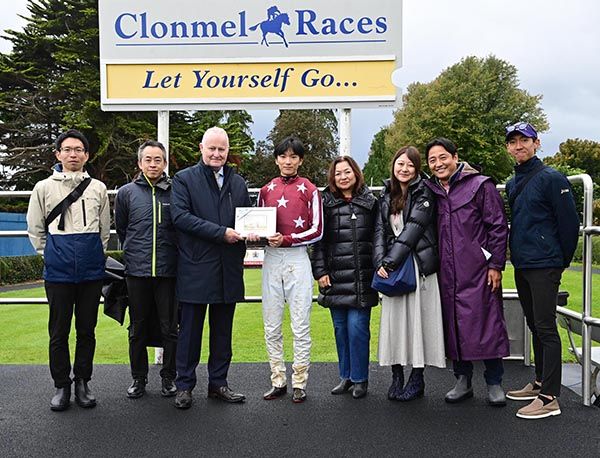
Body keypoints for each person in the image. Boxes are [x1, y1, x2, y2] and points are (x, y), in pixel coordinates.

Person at [27, 129, 110, 411]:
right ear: (58, 154)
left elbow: (104, 231)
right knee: (58, 331)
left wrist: (91, 256)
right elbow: (35, 229)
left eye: (79, 150)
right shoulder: (43, 188)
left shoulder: (98, 188)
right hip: (58, 272)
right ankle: (61, 385)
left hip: (90, 272)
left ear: (87, 155)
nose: (73, 154)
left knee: (87, 330)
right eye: (68, 149)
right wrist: (49, 255)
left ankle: (82, 382)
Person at [424, 137, 510, 406]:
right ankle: (463, 380)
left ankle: (494, 382)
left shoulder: (480, 186)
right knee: (454, 325)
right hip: (447, 273)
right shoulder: (431, 191)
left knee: (487, 323)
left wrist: (496, 265)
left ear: (455, 156)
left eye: (443, 157)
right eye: (432, 160)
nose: (438, 164)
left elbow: (497, 227)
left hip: (478, 270)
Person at [170, 126, 250, 409]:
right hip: (195, 267)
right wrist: (221, 233)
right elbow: (180, 217)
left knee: (222, 332)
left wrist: (253, 233)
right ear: (201, 148)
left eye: (222, 149)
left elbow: (247, 220)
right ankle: (184, 386)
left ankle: (218, 383)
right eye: (212, 148)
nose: (217, 154)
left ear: (228, 152)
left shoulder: (238, 182)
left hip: (228, 268)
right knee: (189, 332)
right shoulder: (183, 179)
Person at [504, 122, 579, 419]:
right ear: (508, 147)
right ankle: (539, 382)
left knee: (546, 327)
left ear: (537, 143)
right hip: (522, 263)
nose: (519, 145)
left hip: (545, 264)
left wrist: (559, 262)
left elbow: (569, 225)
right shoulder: (512, 183)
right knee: (535, 324)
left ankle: (550, 398)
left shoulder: (551, 178)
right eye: (513, 141)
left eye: (525, 140)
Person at [374, 146, 446, 402]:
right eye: (400, 164)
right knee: (394, 323)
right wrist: (379, 262)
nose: (404, 169)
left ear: (417, 169)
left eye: (410, 165)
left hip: (417, 266)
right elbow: (380, 231)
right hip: (393, 267)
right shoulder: (386, 194)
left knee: (417, 323)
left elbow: (412, 230)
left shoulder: (424, 191)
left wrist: (390, 262)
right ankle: (396, 375)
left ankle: (417, 378)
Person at [257, 136, 323, 403]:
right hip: (272, 259)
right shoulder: (265, 190)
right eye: (283, 156)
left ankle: (299, 381)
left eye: (293, 157)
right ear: (276, 159)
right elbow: (258, 227)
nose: (288, 161)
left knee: (300, 323)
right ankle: (277, 379)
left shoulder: (310, 190)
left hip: (297, 258)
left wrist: (289, 239)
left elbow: (317, 230)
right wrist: (257, 236)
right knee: (271, 324)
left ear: (300, 160)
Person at [310, 156, 378, 399]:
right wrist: (320, 272)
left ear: (356, 173)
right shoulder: (324, 204)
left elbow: (378, 238)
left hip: (362, 278)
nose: (343, 177)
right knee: (340, 330)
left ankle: (361, 379)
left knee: (358, 329)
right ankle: (346, 376)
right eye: (338, 173)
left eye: (347, 172)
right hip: (335, 278)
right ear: (333, 177)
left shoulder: (371, 202)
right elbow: (317, 242)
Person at [115, 140, 178, 400]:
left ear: (165, 163)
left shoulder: (175, 191)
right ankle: (138, 378)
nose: (153, 164)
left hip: (168, 272)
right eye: (148, 159)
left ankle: (168, 378)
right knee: (137, 328)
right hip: (137, 272)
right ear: (140, 163)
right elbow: (122, 229)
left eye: (158, 159)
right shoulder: (126, 193)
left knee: (170, 328)